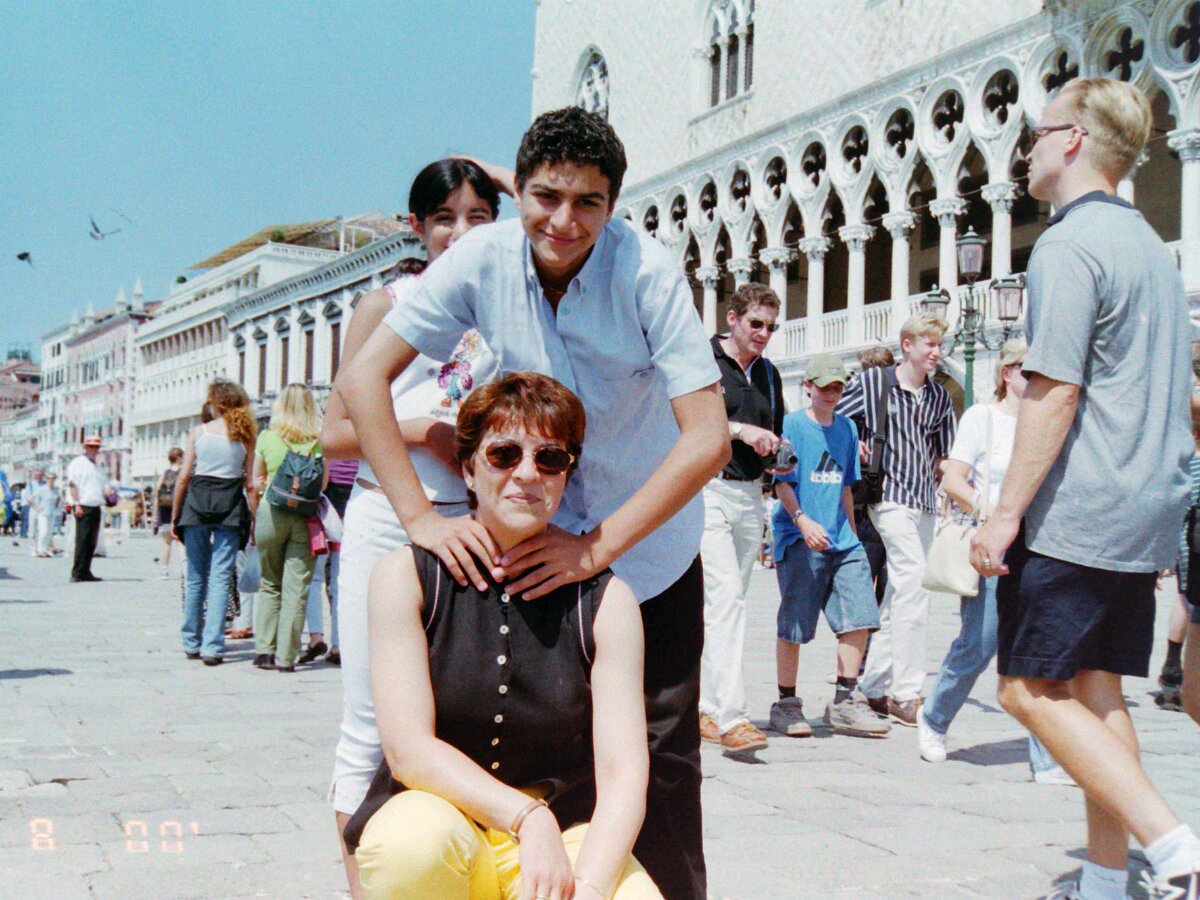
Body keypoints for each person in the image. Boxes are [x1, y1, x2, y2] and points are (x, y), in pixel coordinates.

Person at [338, 107, 727, 900]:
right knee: (499, 739)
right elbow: (361, 379)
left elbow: (708, 438)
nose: (564, 221)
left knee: (662, 768)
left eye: (588, 202)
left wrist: (597, 549)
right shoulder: (479, 260)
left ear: (613, 205)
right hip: (524, 540)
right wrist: (420, 519)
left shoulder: (646, 273)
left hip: (642, 547)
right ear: (518, 191)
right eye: (547, 197)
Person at [971, 78, 1200, 898]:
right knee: (1098, 694)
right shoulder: (1149, 245)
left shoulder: (1069, 245)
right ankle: (1106, 883)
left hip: (1080, 505)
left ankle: (1176, 851)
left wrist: (1003, 515)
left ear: (1071, 140)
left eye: (1037, 132)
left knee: (1027, 690)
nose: (1027, 149)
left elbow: (1055, 390)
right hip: (1143, 506)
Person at [345, 372, 660, 899]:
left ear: (566, 475)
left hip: (562, 837)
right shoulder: (408, 577)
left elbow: (624, 775)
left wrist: (588, 885)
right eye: (504, 454)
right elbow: (408, 750)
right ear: (469, 468)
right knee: (410, 846)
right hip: (448, 822)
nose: (527, 473)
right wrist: (525, 817)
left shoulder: (607, 602)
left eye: (550, 458)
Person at [322, 156, 504, 898]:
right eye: (444, 219)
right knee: (369, 723)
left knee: (459, 716)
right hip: (387, 519)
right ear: (416, 226)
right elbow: (334, 433)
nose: (460, 234)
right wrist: (425, 428)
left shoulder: (505, 309)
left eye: (478, 218)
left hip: (476, 528)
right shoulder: (386, 304)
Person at [914, 342, 1066, 783]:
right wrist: (995, 513)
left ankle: (1045, 758)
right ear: (1007, 372)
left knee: (1036, 648)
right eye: (1029, 371)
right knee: (979, 643)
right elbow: (952, 479)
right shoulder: (983, 417)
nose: (1036, 381)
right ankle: (934, 716)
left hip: (1040, 544)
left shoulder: (1050, 422)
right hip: (994, 542)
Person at [837, 314, 956, 726]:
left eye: (939, 345)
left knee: (899, 592)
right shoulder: (874, 383)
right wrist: (855, 444)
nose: (936, 352)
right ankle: (906, 692)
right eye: (929, 344)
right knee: (914, 584)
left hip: (923, 501)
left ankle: (874, 685)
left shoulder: (939, 397)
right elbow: (834, 418)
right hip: (888, 497)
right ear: (907, 345)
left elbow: (944, 454)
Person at [768, 354, 888, 739]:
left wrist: (852, 534)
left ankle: (845, 699)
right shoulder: (791, 425)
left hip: (842, 538)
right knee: (796, 622)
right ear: (808, 386)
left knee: (860, 614)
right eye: (824, 386)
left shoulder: (848, 429)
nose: (831, 393)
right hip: (799, 536)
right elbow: (781, 482)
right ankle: (786, 702)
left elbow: (846, 487)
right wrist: (802, 521)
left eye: (837, 387)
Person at [698, 282, 787, 753]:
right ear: (732, 319)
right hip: (708, 491)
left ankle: (706, 706)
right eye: (756, 323)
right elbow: (687, 419)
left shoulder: (769, 374)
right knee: (727, 598)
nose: (763, 334)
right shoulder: (703, 360)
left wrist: (775, 454)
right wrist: (739, 430)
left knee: (725, 605)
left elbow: (774, 430)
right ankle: (733, 717)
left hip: (752, 494)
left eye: (771, 327)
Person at [172, 381, 257, 665]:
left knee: (196, 576)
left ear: (216, 403)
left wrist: (175, 515)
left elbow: (183, 477)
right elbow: (250, 484)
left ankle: (191, 641)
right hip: (230, 507)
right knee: (221, 577)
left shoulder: (199, 432)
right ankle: (213, 647)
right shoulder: (246, 436)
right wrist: (254, 519)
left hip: (197, 505)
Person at [253, 383, 328, 673]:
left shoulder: (267, 437)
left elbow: (256, 480)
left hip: (271, 513)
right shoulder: (318, 442)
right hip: (304, 519)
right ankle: (286, 658)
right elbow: (323, 484)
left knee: (270, 583)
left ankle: (264, 650)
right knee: (297, 589)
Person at [299, 456, 358, 666]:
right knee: (340, 581)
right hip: (354, 498)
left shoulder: (327, 441)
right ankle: (339, 643)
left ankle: (316, 636)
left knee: (314, 578)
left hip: (325, 504)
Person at [855, 346, 894, 605]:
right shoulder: (901, 397)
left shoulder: (858, 398)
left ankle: (865, 625)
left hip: (867, 498)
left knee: (864, 572)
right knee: (890, 575)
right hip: (894, 495)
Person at [66, 436, 113, 582]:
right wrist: (76, 504)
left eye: (96, 447)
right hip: (83, 504)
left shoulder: (98, 467)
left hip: (96, 504)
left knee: (92, 540)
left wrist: (108, 491)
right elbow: (72, 485)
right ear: (85, 447)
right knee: (82, 539)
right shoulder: (77, 464)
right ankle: (77, 572)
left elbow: (105, 484)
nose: (94, 449)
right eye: (91, 446)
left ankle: (86, 570)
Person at [154, 448, 184, 580]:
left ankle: (164, 571)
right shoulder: (183, 473)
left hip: (165, 511)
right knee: (181, 541)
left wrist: (155, 514)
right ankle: (185, 570)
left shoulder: (165, 474)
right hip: (180, 511)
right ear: (178, 457)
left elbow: (157, 495)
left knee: (167, 542)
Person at [27, 470, 52, 558]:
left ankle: (42, 548)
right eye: (36, 475)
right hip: (34, 508)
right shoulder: (31, 485)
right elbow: (28, 498)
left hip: (44, 510)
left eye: (40, 475)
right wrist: (36, 507)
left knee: (44, 530)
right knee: (32, 529)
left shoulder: (46, 484)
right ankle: (33, 549)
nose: (38, 476)